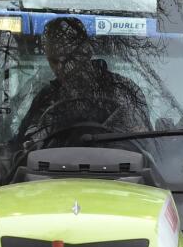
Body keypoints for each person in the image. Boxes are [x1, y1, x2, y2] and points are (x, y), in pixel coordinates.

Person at [13, 16, 150, 148]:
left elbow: (144, 143)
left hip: (117, 168)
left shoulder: (124, 91)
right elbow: (23, 143)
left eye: (68, 58)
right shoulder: (46, 97)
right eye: (54, 61)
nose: (60, 68)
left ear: (86, 52)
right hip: (53, 169)